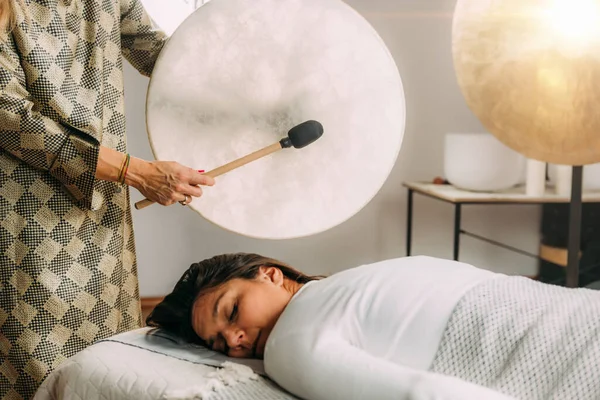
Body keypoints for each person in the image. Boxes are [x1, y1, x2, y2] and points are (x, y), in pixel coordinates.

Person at [0, 0, 214, 398]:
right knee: (33, 361)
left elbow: (165, 58)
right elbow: (13, 118)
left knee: (107, 359)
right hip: (22, 215)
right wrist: (136, 171)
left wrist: (255, 78)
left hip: (102, 216)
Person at [147, 253, 600, 400]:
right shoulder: (379, 269)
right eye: (218, 344)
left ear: (269, 273)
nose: (235, 341)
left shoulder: (291, 343)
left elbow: (422, 395)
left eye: (231, 313)